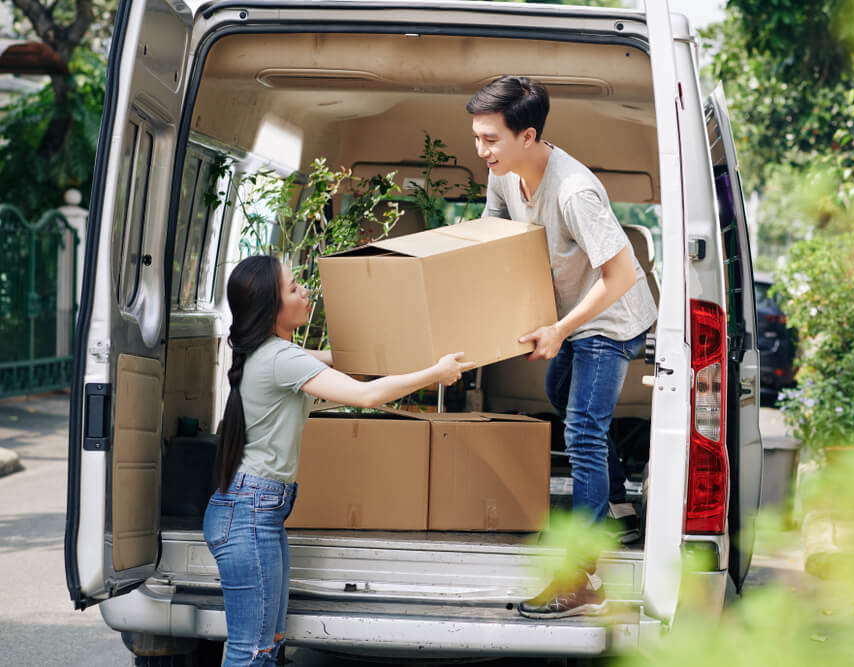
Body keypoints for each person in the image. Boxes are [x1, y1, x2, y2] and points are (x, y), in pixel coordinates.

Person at [203, 255, 474, 666]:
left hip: (254, 509)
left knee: (269, 643)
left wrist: (411, 351)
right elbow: (365, 396)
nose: (304, 291)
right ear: (270, 307)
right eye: (294, 288)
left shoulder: (273, 351)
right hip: (250, 511)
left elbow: (339, 359)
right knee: (251, 652)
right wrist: (434, 373)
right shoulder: (281, 358)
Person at [466, 76, 658, 619]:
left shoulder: (575, 192)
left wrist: (559, 329)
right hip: (570, 316)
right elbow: (495, 223)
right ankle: (618, 503)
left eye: (491, 140)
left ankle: (583, 576)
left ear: (528, 136)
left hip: (610, 319)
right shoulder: (504, 176)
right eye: (477, 137)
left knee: (582, 430)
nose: (481, 151)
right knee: (562, 394)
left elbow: (620, 275)